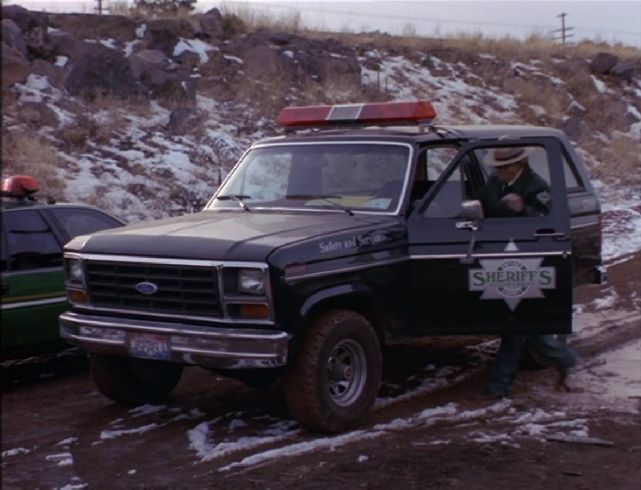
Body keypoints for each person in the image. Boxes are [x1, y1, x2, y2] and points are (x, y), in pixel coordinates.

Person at [478, 146, 577, 398]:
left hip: (529, 261)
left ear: (517, 165)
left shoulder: (536, 187)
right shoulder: (493, 184)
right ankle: (565, 358)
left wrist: (522, 209)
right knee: (526, 328)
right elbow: (481, 207)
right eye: (496, 165)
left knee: (517, 328)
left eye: (502, 166)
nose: (497, 170)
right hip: (500, 258)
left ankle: (497, 388)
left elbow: (548, 218)